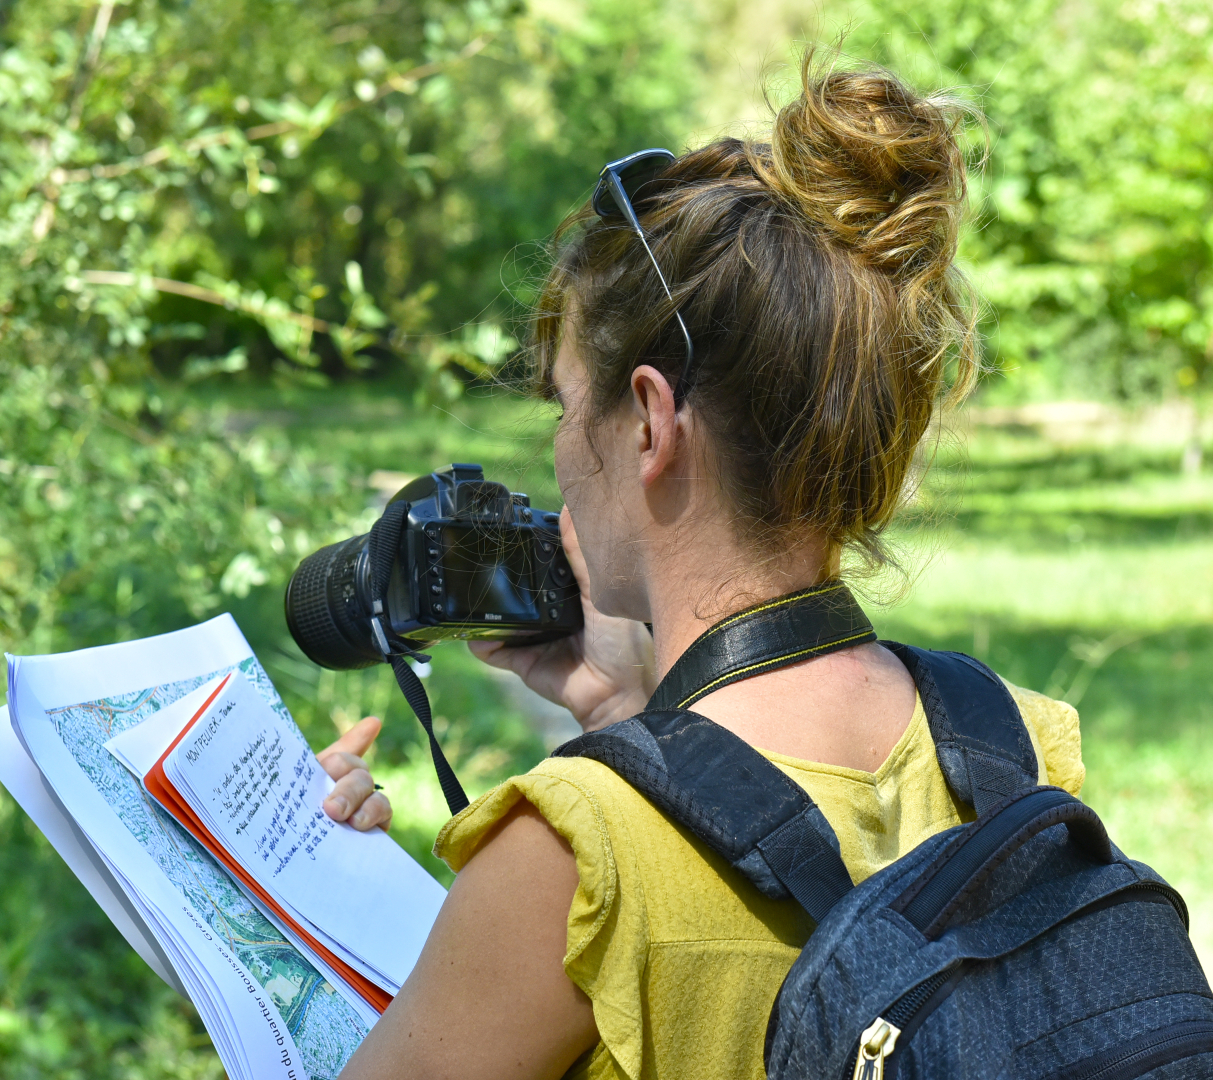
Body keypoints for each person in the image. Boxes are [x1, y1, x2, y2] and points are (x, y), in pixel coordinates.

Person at [334, 54, 1086, 1080]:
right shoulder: (1021, 751)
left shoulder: (567, 860)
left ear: (648, 421)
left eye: (564, 405)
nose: (557, 448)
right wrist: (624, 720)